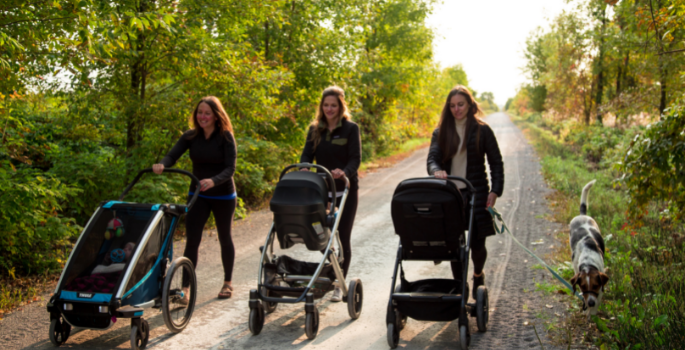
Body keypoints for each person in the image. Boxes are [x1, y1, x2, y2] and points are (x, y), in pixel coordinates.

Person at [153, 96, 238, 300]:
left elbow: (230, 168)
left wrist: (214, 180)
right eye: (200, 112)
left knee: (224, 237)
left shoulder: (226, 137)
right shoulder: (190, 137)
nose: (203, 116)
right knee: (192, 240)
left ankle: (227, 282)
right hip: (198, 194)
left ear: (216, 116)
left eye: (207, 113)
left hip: (223, 194)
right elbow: (172, 155)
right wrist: (163, 164)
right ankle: (186, 289)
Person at [426, 85, 504, 299]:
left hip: (476, 194)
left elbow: (496, 162)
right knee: (454, 245)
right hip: (451, 196)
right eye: (452, 106)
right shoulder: (441, 132)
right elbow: (432, 158)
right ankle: (460, 285)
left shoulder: (482, 130)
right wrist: (436, 170)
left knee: (478, 245)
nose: (456, 109)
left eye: (460, 104)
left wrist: (495, 191)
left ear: (470, 105)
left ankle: (478, 274)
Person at [300, 86, 361, 302]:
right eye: (326, 105)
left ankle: (339, 282)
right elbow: (307, 154)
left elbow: (355, 158)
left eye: (333, 105)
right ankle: (330, 272)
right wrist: (305, 166)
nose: (329, 109)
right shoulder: (315, 129)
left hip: (345, 189)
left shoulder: (351, 129)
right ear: (321, 106)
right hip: (322, 189)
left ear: (341, 106)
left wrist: (345, 172)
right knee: (322, 235)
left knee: (343, 236)